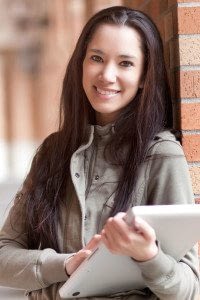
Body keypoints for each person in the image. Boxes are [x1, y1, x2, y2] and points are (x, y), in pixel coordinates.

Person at [0, 5, 199, 300]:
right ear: (81, 63)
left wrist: (150, 256)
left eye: (125, 63)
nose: (107, 75)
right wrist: (66, 264)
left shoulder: (161, 154)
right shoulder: (53, 152)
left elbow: (190, 290)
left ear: (145, 76)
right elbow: (4, 255)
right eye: (96, 58)